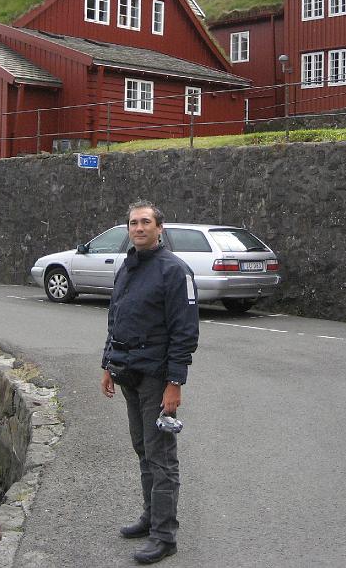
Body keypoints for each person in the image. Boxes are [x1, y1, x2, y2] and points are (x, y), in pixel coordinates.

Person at [101, 200, 199, 565]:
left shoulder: (175, 271)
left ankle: (164, 535)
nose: (138, 228)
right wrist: (107, 364)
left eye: (145, 222)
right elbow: (116, 317)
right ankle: (150, 517)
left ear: (160, 228)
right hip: (128, 371)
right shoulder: (127, 266)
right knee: (143, 449)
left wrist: (175, 383)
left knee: (161, 458)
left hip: (157, 377)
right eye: (132, 223)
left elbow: (185, 333)